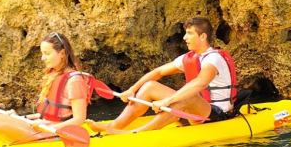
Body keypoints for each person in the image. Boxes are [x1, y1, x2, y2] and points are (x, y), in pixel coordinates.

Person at [91, 17, 236, 134]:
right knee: (149, 86)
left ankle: (137, 133)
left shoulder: (213, 58)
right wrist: (132, 89)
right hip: (195, 111)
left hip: (217, 114)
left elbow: (200, 83)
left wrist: (166, 101)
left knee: (188, 96)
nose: (184, 37)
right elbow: (158, 72)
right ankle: (114, 126)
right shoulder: (190, 57)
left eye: (190, 33)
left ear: (203, 36)